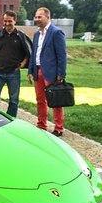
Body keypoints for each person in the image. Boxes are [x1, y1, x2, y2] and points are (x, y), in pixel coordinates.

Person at [27, 7, 67, 136]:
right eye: (36, 17)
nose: (37, 19)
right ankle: (41, 125)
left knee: (55, 101)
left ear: (48, 17)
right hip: (37, 71)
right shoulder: (37, 34)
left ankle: (58, 128)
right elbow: (34, 54)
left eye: (40, 17)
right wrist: (30, 70)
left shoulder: (56, 32)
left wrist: (61, 74)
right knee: (40, 100)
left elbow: (62, 55)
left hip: (51, 73)